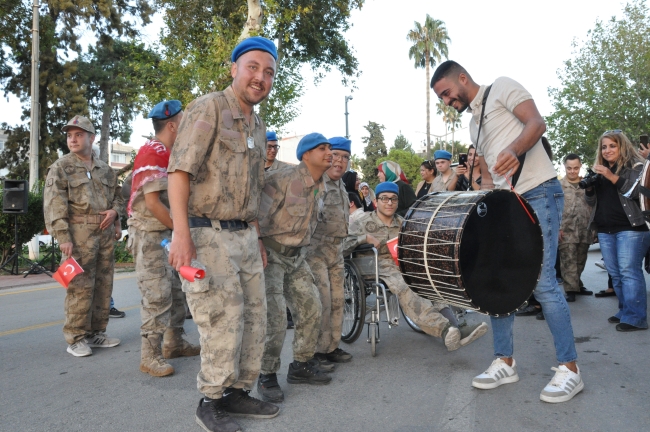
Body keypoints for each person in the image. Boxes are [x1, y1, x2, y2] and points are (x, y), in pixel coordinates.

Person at [432, 60, 583, 403]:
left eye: (446, 93)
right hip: (506, 203)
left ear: (462, 78)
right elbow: (488, 176)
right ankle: (504, 360)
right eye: (441, 98)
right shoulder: (474, 125)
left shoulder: (501, 87)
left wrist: (514, 150)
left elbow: (536, 123)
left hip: (540, 191)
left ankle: (570, 369)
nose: (446, 100)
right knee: (498, 278)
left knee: (543, 282)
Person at [166, 37, 280, 432]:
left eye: (268, 72)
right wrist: (181, 234)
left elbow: (252, 188)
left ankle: (237, 391)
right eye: (252, 67)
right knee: (222, 319)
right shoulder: (211, 107)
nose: (260, 77)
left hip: (245, 236)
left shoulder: (259, 124)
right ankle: (211, 399)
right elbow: (179, 172)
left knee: (254, 319)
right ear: (234, 69)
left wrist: (258, 237)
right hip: (208, 233)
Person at [344, 182, 488, 350]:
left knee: (430, 280)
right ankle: (444, 329)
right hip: (374, 265)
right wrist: (364, 238)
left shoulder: (404, 223)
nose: (389, 203)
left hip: (401, 264)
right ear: (376, 201)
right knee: (406, 286)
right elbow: (343, 244)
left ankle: (456, 327)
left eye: (393, 199)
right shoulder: (362, 222)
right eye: (384, 199)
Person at [256, 133, 333, 404]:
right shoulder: (281, 180)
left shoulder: (323, 186)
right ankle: (266, 374)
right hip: (271, 256)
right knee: (275, 319)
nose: (329, 153)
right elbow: (256, 217)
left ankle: (301, 365)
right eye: (322, 148)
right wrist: (259, 249)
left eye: (330, 148)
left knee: (312, 308)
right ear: (305, 155)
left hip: (297, 258)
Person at [127, 100, 200, 377]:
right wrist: (182, 232)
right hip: (150, 235)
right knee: (157, 295)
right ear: (172, 125)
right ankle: (150, 355)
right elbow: (155, 203)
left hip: (166, 234)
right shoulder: (153, 152)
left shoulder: (170, 152)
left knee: (177, 291)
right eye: (184, 121)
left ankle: (174, 342)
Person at [44, 115, 124, 357]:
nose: (73, 139)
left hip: (104, 234)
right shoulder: (62, 168)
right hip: (77, 236)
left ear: (91, 138)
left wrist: (115, 213)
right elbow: (54, 204)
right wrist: (63, 236)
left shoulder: (106, 170)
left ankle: (96, 332)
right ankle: (76, 337)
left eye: (78, 134)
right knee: (79, 287)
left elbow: (119, 198)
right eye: (69, 135)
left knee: (103, 284)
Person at [585, 130, 650, 331]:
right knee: (616, 273)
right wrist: (589, 189)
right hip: (605, 229)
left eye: (612, 146)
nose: (607, 150)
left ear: (622, 146)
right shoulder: (600, 172)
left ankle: (636, 318)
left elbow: (635, 193)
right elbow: (591, 202)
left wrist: (611, 176)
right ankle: (625, 310)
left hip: (631, 228)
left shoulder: (636, 167)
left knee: (629, 272)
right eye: (604, 147)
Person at [306, 136, 354, 372]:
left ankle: (330, 346)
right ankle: (315, 352)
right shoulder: (317, 181)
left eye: (345, 157)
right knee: (322, 301)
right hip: (316, 249)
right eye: (335, 155)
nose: (339, 161)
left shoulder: (341, 185)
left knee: (337, 301)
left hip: (337, 250)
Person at [559, 154, 594, 302]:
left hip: (585, 228)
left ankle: (577, 285)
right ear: (564, 167)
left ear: (580, 167)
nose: (572, 171)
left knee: (581, 259)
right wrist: (556, 228)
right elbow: (554, 208)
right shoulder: (558, 186)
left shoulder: (588, 185)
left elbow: (594, 206)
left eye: (575, 168)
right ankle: (570, 289)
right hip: (566, 229)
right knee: (568, 261)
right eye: (569, 168)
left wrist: (594, 229)